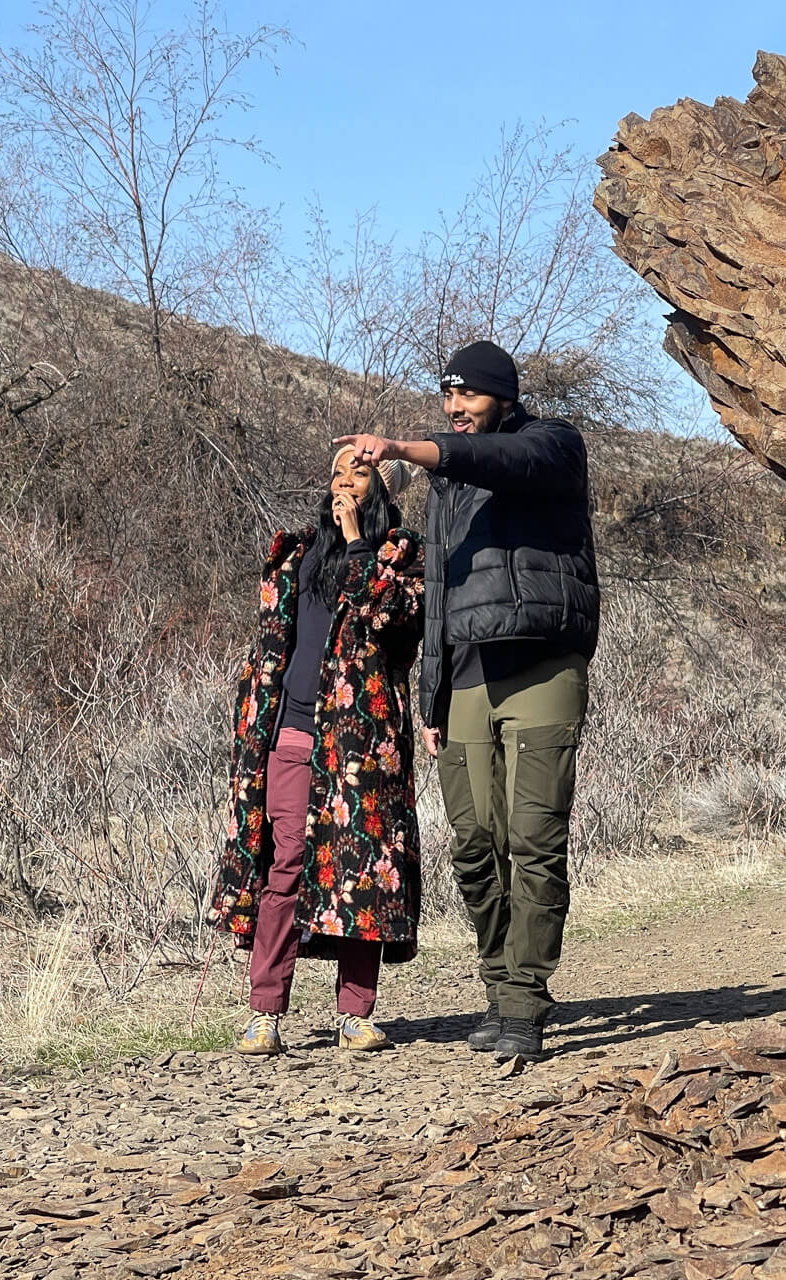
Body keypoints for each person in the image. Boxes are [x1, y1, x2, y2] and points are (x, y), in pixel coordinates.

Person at [335, 340, 599, 1061]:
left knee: (533, 840)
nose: (456, 410)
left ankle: (524, 1002)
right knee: (476, 846)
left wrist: (405, 447)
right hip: (467, 679)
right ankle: (498, 985)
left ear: (503, 397)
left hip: (544, 665)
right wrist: (432, 698)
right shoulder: (450, 483)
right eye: (448, 398)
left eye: (469, 398)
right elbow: (443, 595)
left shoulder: (552, 445)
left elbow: (503, 464)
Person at [208, 446, 425, 1055]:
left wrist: (359, 545)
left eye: (358, 476)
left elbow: (385, 618)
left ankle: (355, 1015)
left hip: (359, 743)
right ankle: (265, 1012)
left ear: (382, 493)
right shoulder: (298, 554)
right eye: (336, 475)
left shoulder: (403, 560)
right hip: (290, 734)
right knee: (283, 868)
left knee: (361, 873)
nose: (343, 486)